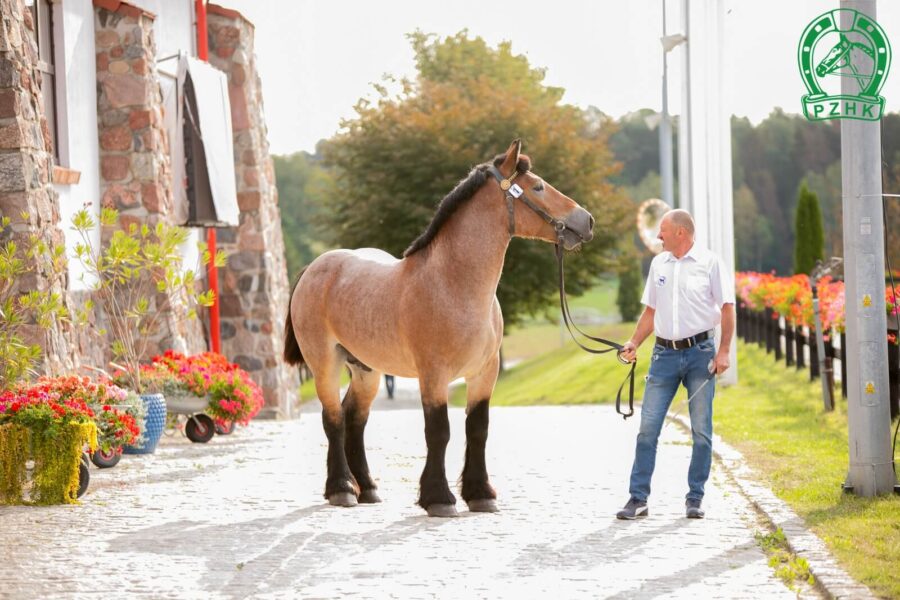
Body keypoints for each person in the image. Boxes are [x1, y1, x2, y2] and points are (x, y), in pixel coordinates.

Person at [617, 209, 735, 520]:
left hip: (701, 354)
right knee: (647, 430)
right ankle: (637, 498)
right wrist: (633, 343)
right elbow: (650, 312)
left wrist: (723, 352)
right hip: (663, 357)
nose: (658, 236)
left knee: (701, 432)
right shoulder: (659, 264)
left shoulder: (710, 263)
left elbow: (726, 308)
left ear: (680, 232)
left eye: (663, 231)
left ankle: (695, 497)